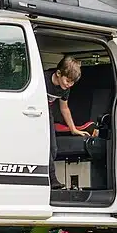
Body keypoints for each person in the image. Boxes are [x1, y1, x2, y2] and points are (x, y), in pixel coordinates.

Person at [46, 56, 88, 189]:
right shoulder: (43, 79)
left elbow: (64, 108)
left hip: (47, 115)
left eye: (72, 83)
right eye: (67, 80)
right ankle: (49, 180)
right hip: (36, 111)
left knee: (53, 149)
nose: (69, 84)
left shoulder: (65, 89)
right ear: (58, 74)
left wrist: (73, 129)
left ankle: (51, 180)